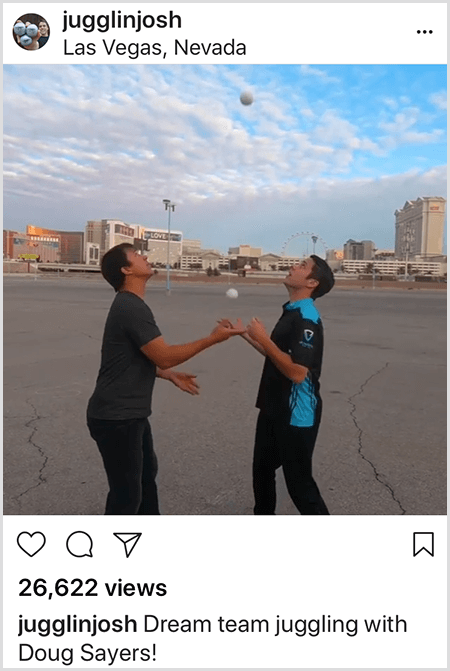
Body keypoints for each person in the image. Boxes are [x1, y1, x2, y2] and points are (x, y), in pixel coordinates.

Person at [87, 243, 245, 515]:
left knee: (146, 480)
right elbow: (164, 355)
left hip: (128, 415)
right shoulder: (130, 306)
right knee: (127, 496)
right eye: (137, 256)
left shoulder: (132, 305)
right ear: (126, 270)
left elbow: (137, 359)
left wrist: (168, 375)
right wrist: (212, 339)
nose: (145, 257)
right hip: (116, 417)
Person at [236, 255, 334, 515]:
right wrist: (246, 335)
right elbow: (279, 357)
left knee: (299, 484)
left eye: (302, 266)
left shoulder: (306, 318)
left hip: (297, 413)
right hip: (274, 405)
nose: (293, 266)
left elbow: (298, 372)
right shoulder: (291, 310)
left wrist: (263, 339)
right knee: (262, 469)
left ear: (312, 282)